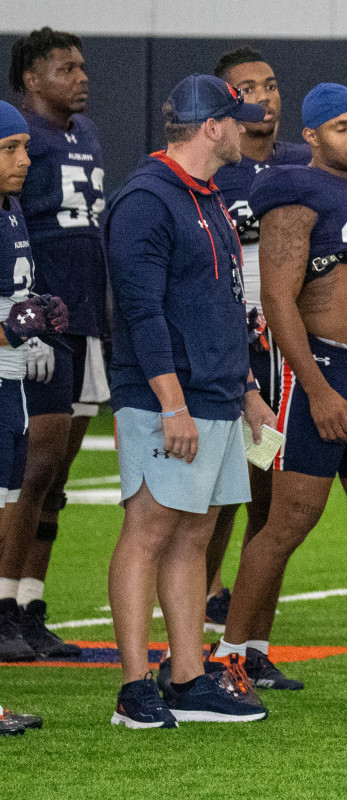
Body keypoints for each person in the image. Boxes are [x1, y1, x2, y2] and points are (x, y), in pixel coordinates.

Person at [211, 83, 347, 710]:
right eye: (341, 127)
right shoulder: (292, 189)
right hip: (322, 372)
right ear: (311, 137)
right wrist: (316, 386)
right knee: (287, 523)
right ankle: (232, 658)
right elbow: (278, 297)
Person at [105, 74, 273, 727]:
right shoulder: (147, 199)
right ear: (212, 127)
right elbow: (141, 312)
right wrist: (171, 404)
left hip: (215, 391)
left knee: (194, 531)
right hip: (166, 396)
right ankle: (134, 688)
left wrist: (248, 391)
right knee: (148, 528)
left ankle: (185, 677)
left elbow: (224, 303)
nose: (247, 130)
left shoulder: (203, 196)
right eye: (238, 120)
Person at [193, 47, 310, 689]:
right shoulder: (217, 169)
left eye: (271, 84)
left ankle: (251, 642)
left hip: (280, 354)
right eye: (247, 87)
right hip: (226, 351)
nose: (263, 96)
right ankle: (199, 638)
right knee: (216, 497)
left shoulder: (300, 167)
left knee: (272, 494)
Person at [0, 26, 105, 662]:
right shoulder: (20, 142)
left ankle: (31, 602)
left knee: (55, 478)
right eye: (65, 68)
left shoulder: (84, 134)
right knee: (29, 471)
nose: (82, 77)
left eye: (83, 66)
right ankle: (4, 604)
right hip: (35, 327)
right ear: (32, 80)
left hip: (84, 318)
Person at [0, 101, 70, 665]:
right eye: (9, 149)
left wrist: (35, 316)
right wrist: (16, 329)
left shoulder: (11, 209)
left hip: (10, 387)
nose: (24, 160)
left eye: (24, 147)